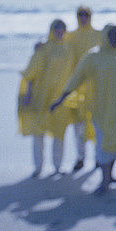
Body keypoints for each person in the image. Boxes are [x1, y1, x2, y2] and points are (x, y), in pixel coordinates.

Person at [50, 25, 116, 195]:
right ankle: (104, 181)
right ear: (104, 35)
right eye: (110, 34)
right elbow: (77, 77)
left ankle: (110, 175)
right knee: (104, 145)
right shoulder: (94, 56)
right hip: (103, 110)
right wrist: (61, 98)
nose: (113, 38)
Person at [18, 19, 75, 177]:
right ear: (52, 29)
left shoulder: (69, 48)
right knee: (39, 134)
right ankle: (38, 167)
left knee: (59, 133)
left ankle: (57, 166)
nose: (59, 30)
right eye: (57, 27)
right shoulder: (44, 48)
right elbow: (31, 72)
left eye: (62, 27)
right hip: (41, 96)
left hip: (60, 98)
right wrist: (28, 93)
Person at [63, 5, 103, 171]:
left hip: (95, 87)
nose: (83, 18)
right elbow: (56, 45)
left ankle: (98, 157)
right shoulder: (70, 36)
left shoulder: (99, 35)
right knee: (79, 126)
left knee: (96, 124)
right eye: (80, 14)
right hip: (77, 87)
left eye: (86, 14)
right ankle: (80, 157)